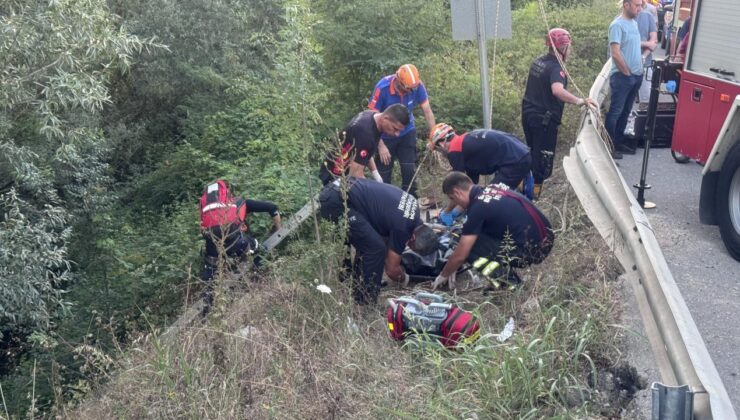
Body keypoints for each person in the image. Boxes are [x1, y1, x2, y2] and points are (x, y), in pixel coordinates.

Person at [319, 178, 439, 304]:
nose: (407, 245)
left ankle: (360, 283)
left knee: (370, 241)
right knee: (375, 248)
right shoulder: (403, 228)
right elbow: (392, 269)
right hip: (336, 201)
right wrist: (405, 279)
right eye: (410, 245)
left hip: (342, 186)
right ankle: (366, 302)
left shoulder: (413, 210)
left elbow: (385, 238)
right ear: (413, 237)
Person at [431, 172, 554, 291]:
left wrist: (444, 274)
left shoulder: (477, 208)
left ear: (457, 193)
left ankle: (508, 284)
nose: (457, 204)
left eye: (453, 199)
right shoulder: (493, 188)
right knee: (470, 235)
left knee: (468, 246)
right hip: (546, 238)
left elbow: (461, 253)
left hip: (531, 250)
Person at [521, 28, 597, 199]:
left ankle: (523, 188)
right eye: (568, 47)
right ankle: (532, 198)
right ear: (562, 48)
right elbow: (557, 90)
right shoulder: (556, 68)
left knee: (531, 153)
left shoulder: (538, 62)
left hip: (528, 115)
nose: (570, 50)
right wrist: (580, 101)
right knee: (542, 161)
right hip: (544, 121)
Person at [369, 64, 436, 196]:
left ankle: (410, 201)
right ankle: (385, 203)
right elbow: (371, 118)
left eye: (413, 89)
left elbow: (427, 111)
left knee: (408, 169)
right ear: (399, 82)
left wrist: (434, 136)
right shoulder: (382, 88)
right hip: (384, 137)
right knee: (384, 174)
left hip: (407, 132)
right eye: (408, 89)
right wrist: (381, 146)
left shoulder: (417, 85)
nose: (410, 92)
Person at [319, 104, 410, 185]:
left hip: (345, 171)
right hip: (335, 176)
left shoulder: (371, 115)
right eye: (395, 129)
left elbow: (364, 150)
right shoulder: (366, 133)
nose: (397, 134)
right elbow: (355, 174)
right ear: (385, 118)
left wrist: (375, 174)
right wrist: (376, 191)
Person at [606, 0, 645, 159]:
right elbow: (615, 53)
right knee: (616, 112)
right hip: (623, 77)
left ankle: (618, 142)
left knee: (626, 111)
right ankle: (608, 146)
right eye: (637, 5)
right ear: (626, 5)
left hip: (636, 75)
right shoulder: (617, 25)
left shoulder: (634, 23)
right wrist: (627, 74)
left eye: (641, 5)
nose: (639, 8)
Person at [636, 3, 659, 103]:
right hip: (626, 66)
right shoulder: (621, 20)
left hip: (645, 64)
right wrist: (646, 43)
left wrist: (643, 56)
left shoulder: (648, 16)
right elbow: (627, 43)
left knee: (646, 100)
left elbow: (653, 43)